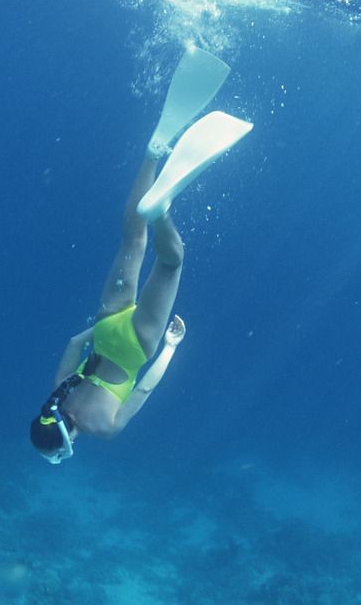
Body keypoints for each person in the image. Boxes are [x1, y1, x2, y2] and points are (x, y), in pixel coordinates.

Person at [29, 47, 252, 464]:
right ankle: (153, 151)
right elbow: (74, 341)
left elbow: (145, 388)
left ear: (66, 441)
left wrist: (169, 347)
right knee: (133, 239)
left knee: (172, 261)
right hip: (106, 324)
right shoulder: (58, 389)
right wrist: (99, 334)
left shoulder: (103, 429)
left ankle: (162, 212)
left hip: (137, 345)